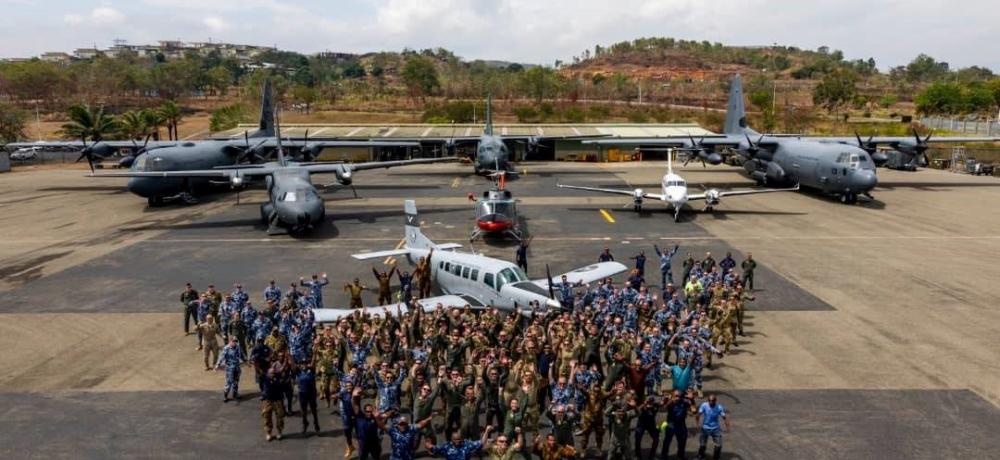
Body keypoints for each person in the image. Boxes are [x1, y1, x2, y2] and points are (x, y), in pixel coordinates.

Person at [661, 390, 695, 460]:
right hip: (671, 424)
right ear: (673, 396)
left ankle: (680, 455)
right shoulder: (670, 402)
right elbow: (663, 407)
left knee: (682, 441)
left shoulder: (684, 402)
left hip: (681, 424)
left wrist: (692, 399)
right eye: (676, 396)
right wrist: (667, 400)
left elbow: (693, 411)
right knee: (667, 440)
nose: (678, 398)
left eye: (679, 396)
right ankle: (664, 455)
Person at [696, 395, 730, 460]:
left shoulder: (719, 407)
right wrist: (697, 424)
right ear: (708, 400)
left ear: (715, 401)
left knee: (719, 445)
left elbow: (724, 417)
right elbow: (698, 415)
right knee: (702, 445)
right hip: (705, 428)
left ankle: (716, 457)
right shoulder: (704, 405)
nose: (711, 402)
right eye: (709, 401)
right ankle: (701, 455)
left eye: (712, 401)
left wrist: (727, 427)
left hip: (715, 428)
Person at [354, 389, 383, 460]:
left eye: (371, 411)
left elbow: (381, 426)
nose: (369, 413)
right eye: (367, 411)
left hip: (374, 442)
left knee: (377, 457)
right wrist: (356, 397)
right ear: (364, 411)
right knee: (362, 457)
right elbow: (356, 405)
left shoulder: (375, 417)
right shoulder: (360, 417)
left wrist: (377, 418)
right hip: (363, 443)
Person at [425, 428, 489, 460]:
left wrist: (487, 431)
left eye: (459, 439)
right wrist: (427, 443)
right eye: (455, 439)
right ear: (451, 439)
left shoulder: (466, 444)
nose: (457, 441)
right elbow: (432, 448)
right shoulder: (446, 446)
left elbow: (482, 442)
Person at [215, 337, 245, 402]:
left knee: (236, 381)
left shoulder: (238, 347)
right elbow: (221, 357)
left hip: (237, 367)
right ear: (230, 341)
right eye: (233, 341)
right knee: (228, 382)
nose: (235, 342)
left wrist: (246, 361)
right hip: (229, 368)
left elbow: (242, 355)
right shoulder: (226, 348)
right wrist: (218, 365)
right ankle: (225, 396)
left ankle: (235, 394)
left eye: (235, 341)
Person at [260, 366, 285, 442]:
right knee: (267, 417)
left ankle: (279, 432)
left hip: (277, 401)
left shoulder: (278, 378)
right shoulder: (265, 378)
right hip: (268, 401)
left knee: (280, 417)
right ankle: (268, 433)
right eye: (270, 373)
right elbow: (258, 369)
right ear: (268, 373)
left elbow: (283, 369)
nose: (272, 374)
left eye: (273, 373)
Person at [297, 364, 320, 435]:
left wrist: (314, 356)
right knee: (303, 411)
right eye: (302, 364)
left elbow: (313, 362)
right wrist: (290, 358)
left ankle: (316, 425)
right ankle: (305, 423)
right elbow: (293, 365)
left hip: (311, 394)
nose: (304, 365)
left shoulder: (311, 371)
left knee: (314, 411)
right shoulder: (298, 372)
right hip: (302, 394)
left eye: (305, 363)